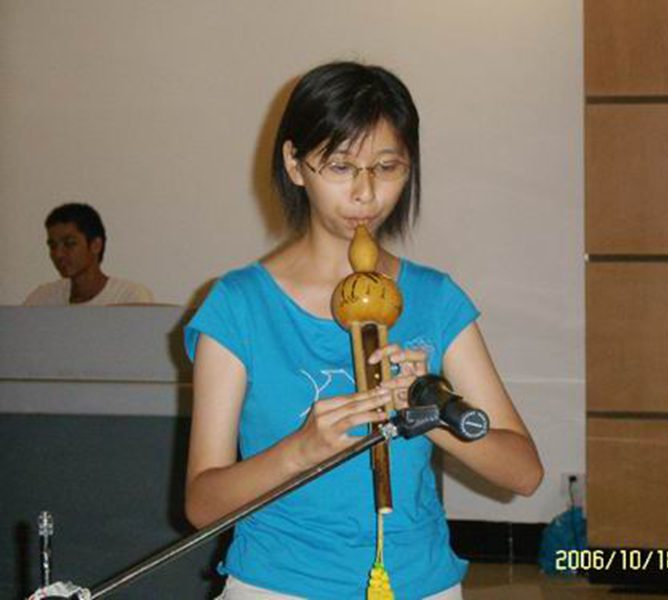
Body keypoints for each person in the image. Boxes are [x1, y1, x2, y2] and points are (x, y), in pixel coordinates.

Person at [183, 61, 543, 600]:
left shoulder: (435, 298)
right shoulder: (239, 305)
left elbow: (523, 472)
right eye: (341, 166)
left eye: (387, 167)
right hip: (277, 585)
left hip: (420, 583)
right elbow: (202, 504)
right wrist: (301, 449)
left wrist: (429, 413)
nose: (366, 194)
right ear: (295, 164)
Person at [23, 203, 154, 306]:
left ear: (96, 245)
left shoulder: (128, 297)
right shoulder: (42, 298)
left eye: (69, 243)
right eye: (53, 246)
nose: (58, 254)